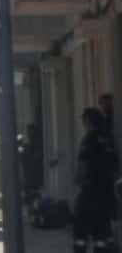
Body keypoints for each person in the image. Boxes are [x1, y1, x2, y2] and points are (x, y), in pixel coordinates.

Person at [74, 107, 119, 253]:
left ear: (88, 121)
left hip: (90, 191)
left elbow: (83, 165)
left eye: (84, 121)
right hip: (107, 191)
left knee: (81, 230)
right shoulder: (109, 139)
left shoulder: (89, 139)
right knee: (103, 230)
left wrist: (79, 181)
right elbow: (115, 167)